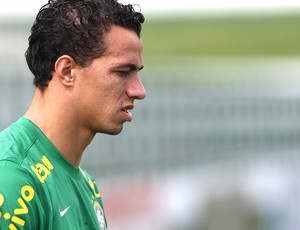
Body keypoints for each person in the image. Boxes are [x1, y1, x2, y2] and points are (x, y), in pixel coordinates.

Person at [0, 0, 146, 229]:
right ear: (67, 71)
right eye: (122, 72)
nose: (139, 91)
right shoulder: (11, 177)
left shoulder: (86, 184)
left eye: (136, 73)